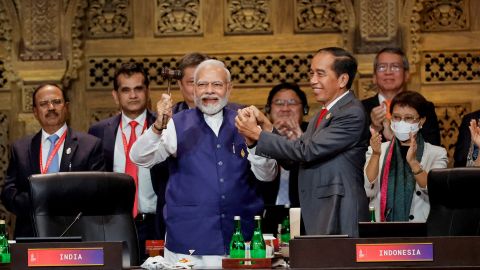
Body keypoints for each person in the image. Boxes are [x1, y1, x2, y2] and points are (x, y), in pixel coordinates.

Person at [129, 59, 277, 267]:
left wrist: (254, 143)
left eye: (217, 84)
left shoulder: (245, 122)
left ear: (229, 88)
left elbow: (267, 175)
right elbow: (139, 157)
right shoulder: (175, 124)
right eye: (202, 85)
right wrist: (157, 126)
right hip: (187, 246)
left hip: (240, 241)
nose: (209, 91)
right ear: (193, 89)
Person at [236, 47, 369, 237]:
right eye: (312, 73)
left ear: (342, 80)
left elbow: (305, 151)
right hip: (321, 210)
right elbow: (293, 160)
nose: (313, 80)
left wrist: (258, 135)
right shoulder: (322, 114)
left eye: (320, 74)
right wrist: (265, 125)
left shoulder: (351, 112)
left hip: (339, 210)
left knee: (338, 265)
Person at [2, 83, 105, 238]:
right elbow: (9, 194)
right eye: (43, 104)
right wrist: (41, 201)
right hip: (31, 235)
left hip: (77, 236)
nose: (51, 107)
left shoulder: (90, 145)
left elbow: (98, 193)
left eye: (56, 102)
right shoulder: (20, 148)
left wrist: (57, 201)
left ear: (66, 107)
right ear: (35, 112)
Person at [88, 62, 163, 261]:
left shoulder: (164, 127)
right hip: (114, 223)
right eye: (126, 90)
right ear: (115, 95)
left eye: (138, 89)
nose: (133, 95)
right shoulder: (98, 131)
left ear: (147, 92)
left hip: (155, 224)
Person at [364, 91, 448, 222]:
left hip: (421, 229)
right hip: (383, 228)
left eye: (408, 118)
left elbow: (434, 191)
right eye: (396, 117)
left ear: (421, 121)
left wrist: (413, 162)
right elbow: (369, 188)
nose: (402, 122)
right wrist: (376, 154)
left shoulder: (437, 153)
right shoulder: (378, 148)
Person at [362, 47, 441, 145]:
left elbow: (432, 147)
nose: (388, 72)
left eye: (395, 67)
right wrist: (374, 128)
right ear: (374, 77)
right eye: (382, 67)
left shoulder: (423, 107)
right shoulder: (360, 108)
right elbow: (355, 153)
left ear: (407, 75)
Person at [258, 82, 309, 208]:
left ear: (305, 109)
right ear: (268, 109)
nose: (285, 109)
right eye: (279, 103)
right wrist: (270, 139)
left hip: (307, 213)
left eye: (292, 103)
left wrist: (302, 141)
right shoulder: (256, 134)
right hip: (262, 213)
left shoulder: (315, 134)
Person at [173, 52, 243, 113]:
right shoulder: (170, 117)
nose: (208, 90)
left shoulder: (240, 114)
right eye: (192, 82)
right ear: (180, 84)